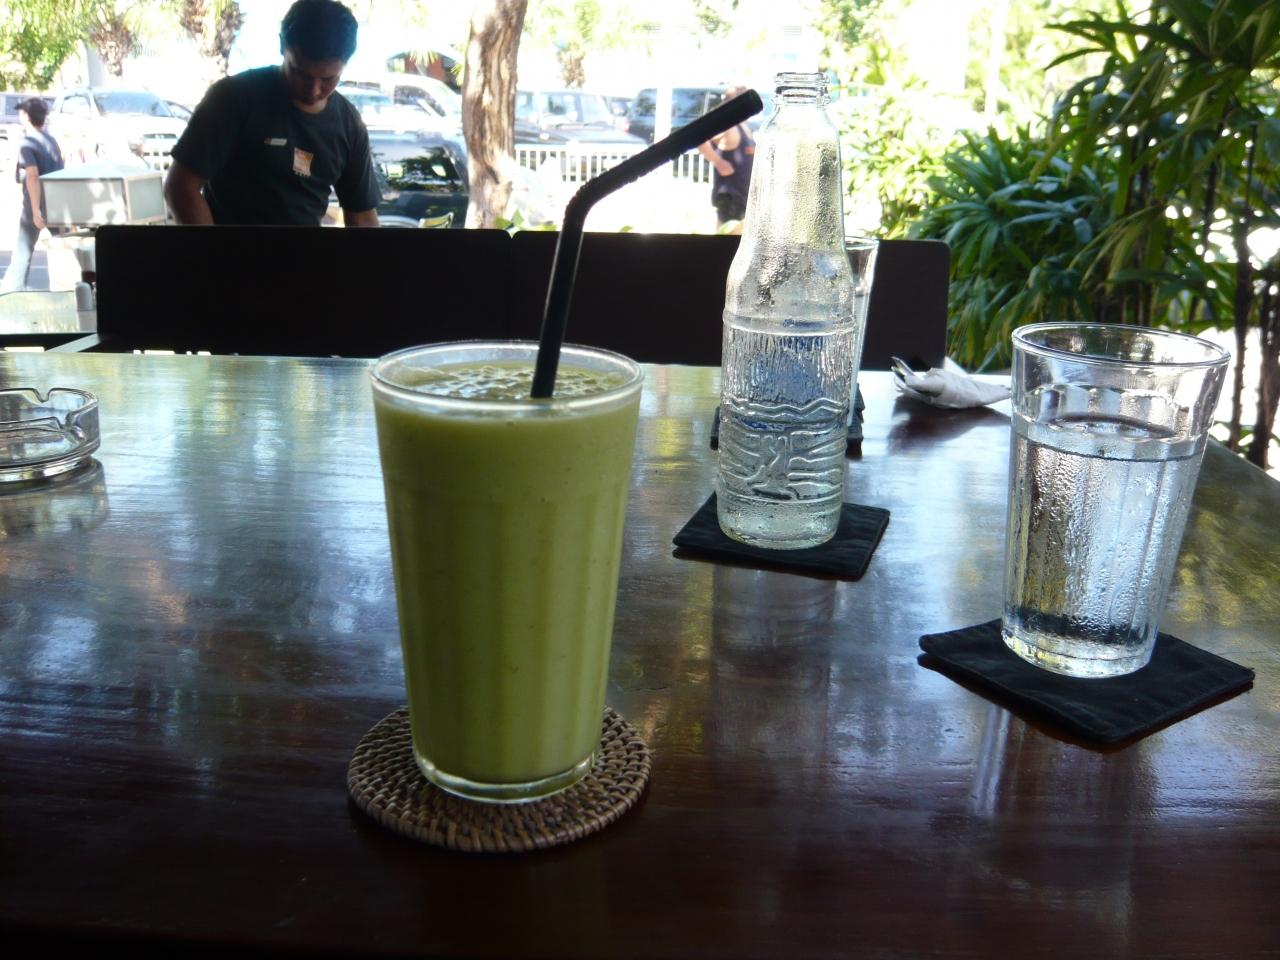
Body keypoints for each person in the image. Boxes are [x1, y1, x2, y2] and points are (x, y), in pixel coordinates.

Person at [164, 0, 379, 227]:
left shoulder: (349, 124)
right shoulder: (233, 98)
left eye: (328, 79)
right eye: (301, 73)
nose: (313, 90)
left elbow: (363, 216)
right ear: (282, 46)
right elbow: (181, 187)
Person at [1, 97, 63, 293]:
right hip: (56, 200)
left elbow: (33, 176)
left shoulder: (28, 143)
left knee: (23, 249)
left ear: (26, 116)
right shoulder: (51, 140)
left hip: (36, 201)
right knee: (64, 246)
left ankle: (11, 291)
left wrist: (36, 210)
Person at [696, 87, 755, 232]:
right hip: (731, 195)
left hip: (744, 193)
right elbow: (699, 139)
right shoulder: (727, 125)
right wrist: (718, 162)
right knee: (727, 236)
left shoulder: (742, 125)